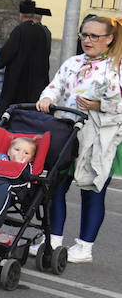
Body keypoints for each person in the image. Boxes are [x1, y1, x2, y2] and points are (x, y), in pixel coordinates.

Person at [33, 14, 122, 264]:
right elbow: (55, 86)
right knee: (54, 187)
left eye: (95, 36)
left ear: (109, 39)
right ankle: (52, 240)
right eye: (85, 35)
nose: (88, 40)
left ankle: (84, 247)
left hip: (101, 138)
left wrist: (98, 104)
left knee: (92, 191)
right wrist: (48, 99)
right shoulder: (72, 63)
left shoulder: (117, 67)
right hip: (66, 133)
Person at [0, 0, 52, 118]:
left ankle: (7, 116)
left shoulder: (19, 30)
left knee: (13, 97)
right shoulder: (42, 31)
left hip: (18, 74)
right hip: (37, 74)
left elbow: (9, 50)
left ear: (21, 15)